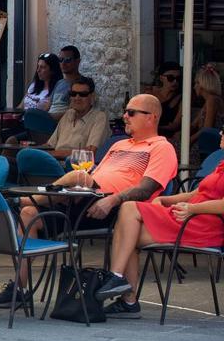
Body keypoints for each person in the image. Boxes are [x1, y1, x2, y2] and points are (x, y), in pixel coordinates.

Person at [0, 93, 177, 309]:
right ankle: (19, 289)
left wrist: (112, 199)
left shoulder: (161, 148)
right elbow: (98, 174)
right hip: (84, 200)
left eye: (131, 112)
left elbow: (147, 189)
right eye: (125, 112)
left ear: (151, 117)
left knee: (77, 176)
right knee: (30, 214)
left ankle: (24, 199)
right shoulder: (118, 146)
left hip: (116, 207)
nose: (125, 116)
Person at [95, 128, 224, 318]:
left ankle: (119, 283)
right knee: (129, 233)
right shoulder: (221, 164)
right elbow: (198, 193)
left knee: (130, 210)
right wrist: (167, 200)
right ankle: (125, 295)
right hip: (188, 216)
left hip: (204, 223)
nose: (221, 132)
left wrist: (192, 209)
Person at [43, 76, 109, 158]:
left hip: (75, 166)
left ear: (92, 96)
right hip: (54, 161)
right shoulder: (68, 114)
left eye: (83, 94)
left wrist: (54, 154)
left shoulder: (99, 117)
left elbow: (90, 153)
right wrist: (31, 149)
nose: (77, 98)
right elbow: (50, 145)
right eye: (73, 94)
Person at [190, 64, 223, 151]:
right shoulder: (209, 100)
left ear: (202, 84)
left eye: (196, 83)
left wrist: (190, 139)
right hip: (204, 142)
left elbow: (207, 128)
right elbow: (194, 124)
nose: (194, 87)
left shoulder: (213, 100)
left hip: (210, 145)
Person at [153, 61, 184, 140]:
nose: (175, 82)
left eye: (178, 78)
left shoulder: (181, 99)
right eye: (170, 78)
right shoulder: (151, 94)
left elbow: (175, 125)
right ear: (161, 78)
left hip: (167, 137)